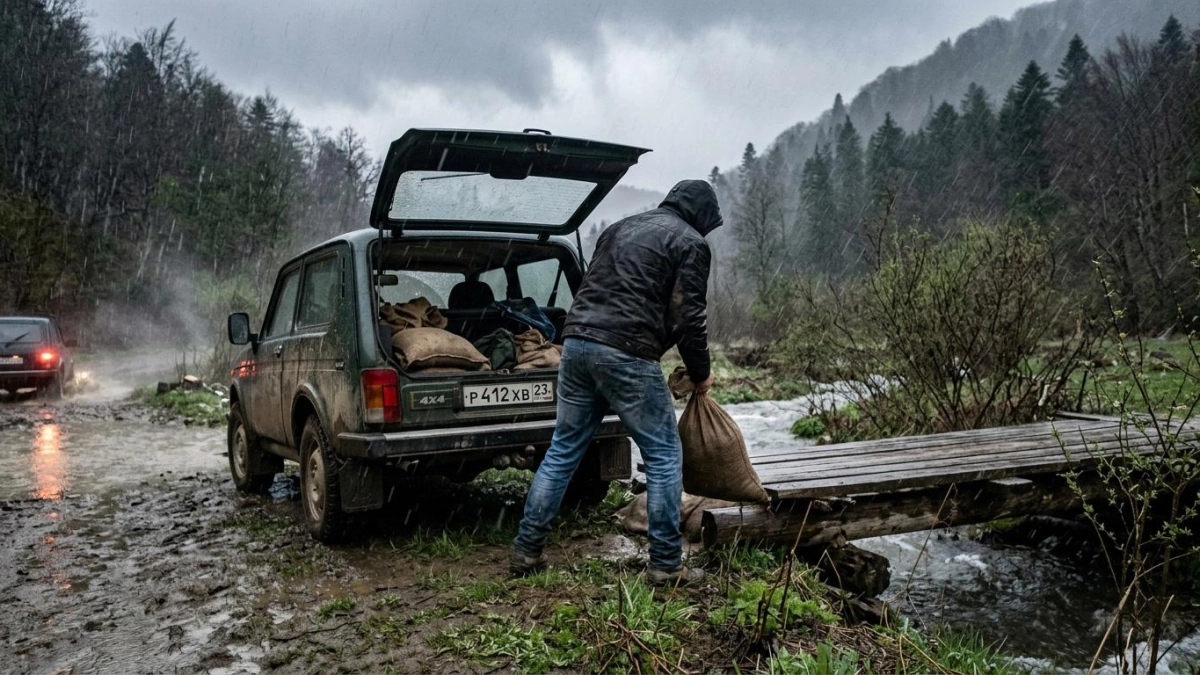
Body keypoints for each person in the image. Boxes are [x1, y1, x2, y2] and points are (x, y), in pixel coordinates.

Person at [511, 178, 722, 585]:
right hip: (626, 351)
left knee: (562, 450)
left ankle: (526, 550)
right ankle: (665, 564)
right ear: (701, 216)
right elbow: (688, 316)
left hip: (575, 345)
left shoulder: (620, 228)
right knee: (663, 454)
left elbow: (604, 290)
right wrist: (701, 372)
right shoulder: (691, 243)